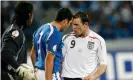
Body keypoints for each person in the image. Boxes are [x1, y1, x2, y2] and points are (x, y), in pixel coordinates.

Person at [62, 11, 107, 80]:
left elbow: (103, 65)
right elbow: (59, 59)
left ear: (85, 24)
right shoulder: (66, 38)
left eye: (76, 25)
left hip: (85, 78)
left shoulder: (98, 40)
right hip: (67, 77)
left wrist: (94, 76)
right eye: (73, 25)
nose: (74, 27)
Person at [30, 8, 73, 80]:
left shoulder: (41, 28)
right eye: (69, 23)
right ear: (65, 21)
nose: (69, 26)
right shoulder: (55, 33)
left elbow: (33, 54)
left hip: (38, 73)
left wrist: (37, 70)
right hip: (50, 75)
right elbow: (49, 60)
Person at [1, 1, 36, 80]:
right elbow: (5, 53)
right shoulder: (15, 32)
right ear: (29, 15)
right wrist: (20, 70)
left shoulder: (14, 29)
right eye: (32, 14)